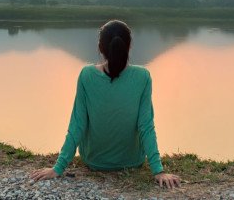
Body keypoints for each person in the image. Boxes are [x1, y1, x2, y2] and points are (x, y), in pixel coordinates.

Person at [30, 20, 180, 189]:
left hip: (94, 161)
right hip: (132, 161)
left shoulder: (86, 75)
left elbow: (78, 123)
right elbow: (146, 125)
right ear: (128, 47)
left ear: (100, 48)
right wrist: (158, 171)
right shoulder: (143, 76)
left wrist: (58, 168)